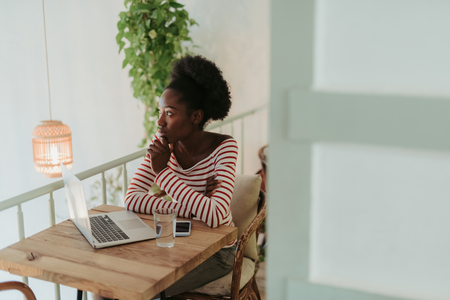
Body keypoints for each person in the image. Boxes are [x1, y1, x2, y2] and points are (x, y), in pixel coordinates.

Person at [125, 55, 237, 297]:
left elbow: (216, 216)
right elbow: (132, 199)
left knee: (147, 291)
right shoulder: (162, 145)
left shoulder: (225, 148)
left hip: (217, 252)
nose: (159, 121)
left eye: (170, 113)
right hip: (177, 241)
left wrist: (163, 173)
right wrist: (197, 206)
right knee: (118, 280)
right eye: (160, 111)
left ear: (196, 117)